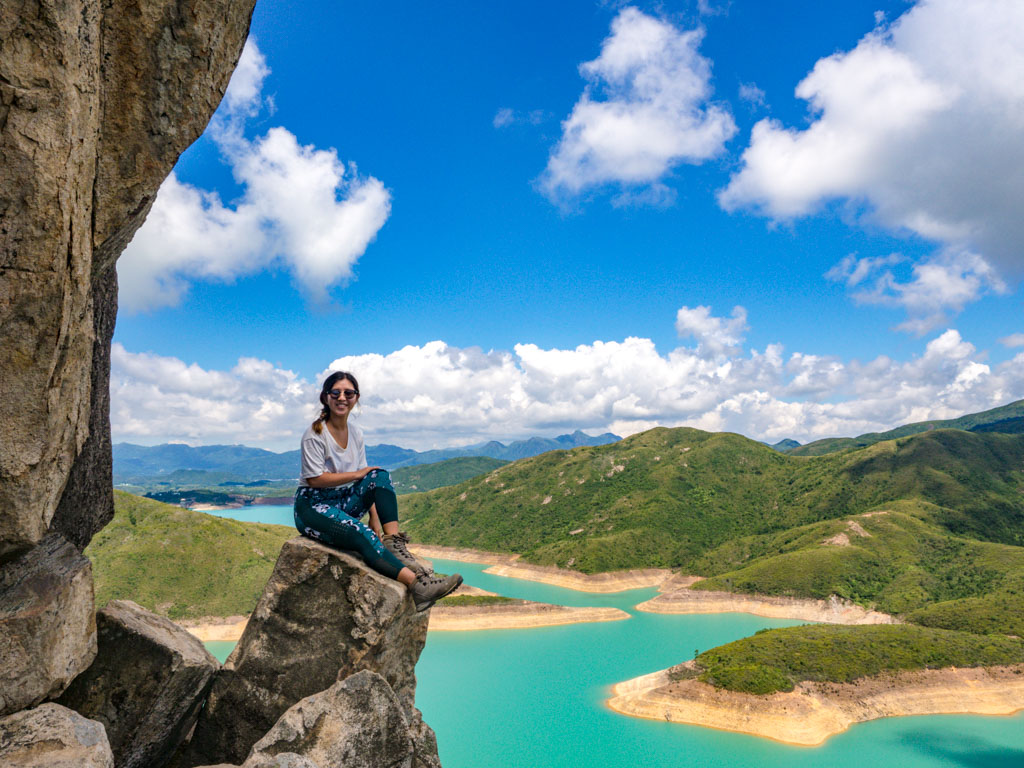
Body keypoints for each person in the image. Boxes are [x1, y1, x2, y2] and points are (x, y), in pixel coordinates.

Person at [294, 370, 462, 611]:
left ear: (356, 398)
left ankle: (393, 542)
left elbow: (368, 479)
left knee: (380, 476)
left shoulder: (356, 433)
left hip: (341, 501)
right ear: (325, 397)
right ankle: (419, 587)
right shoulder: (315, 434)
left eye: (348, 393)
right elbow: (314, 479)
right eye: (336, 392)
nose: (342, 397)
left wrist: (374, 516)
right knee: (362, 534)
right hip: (312, 507)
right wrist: (356, 475)